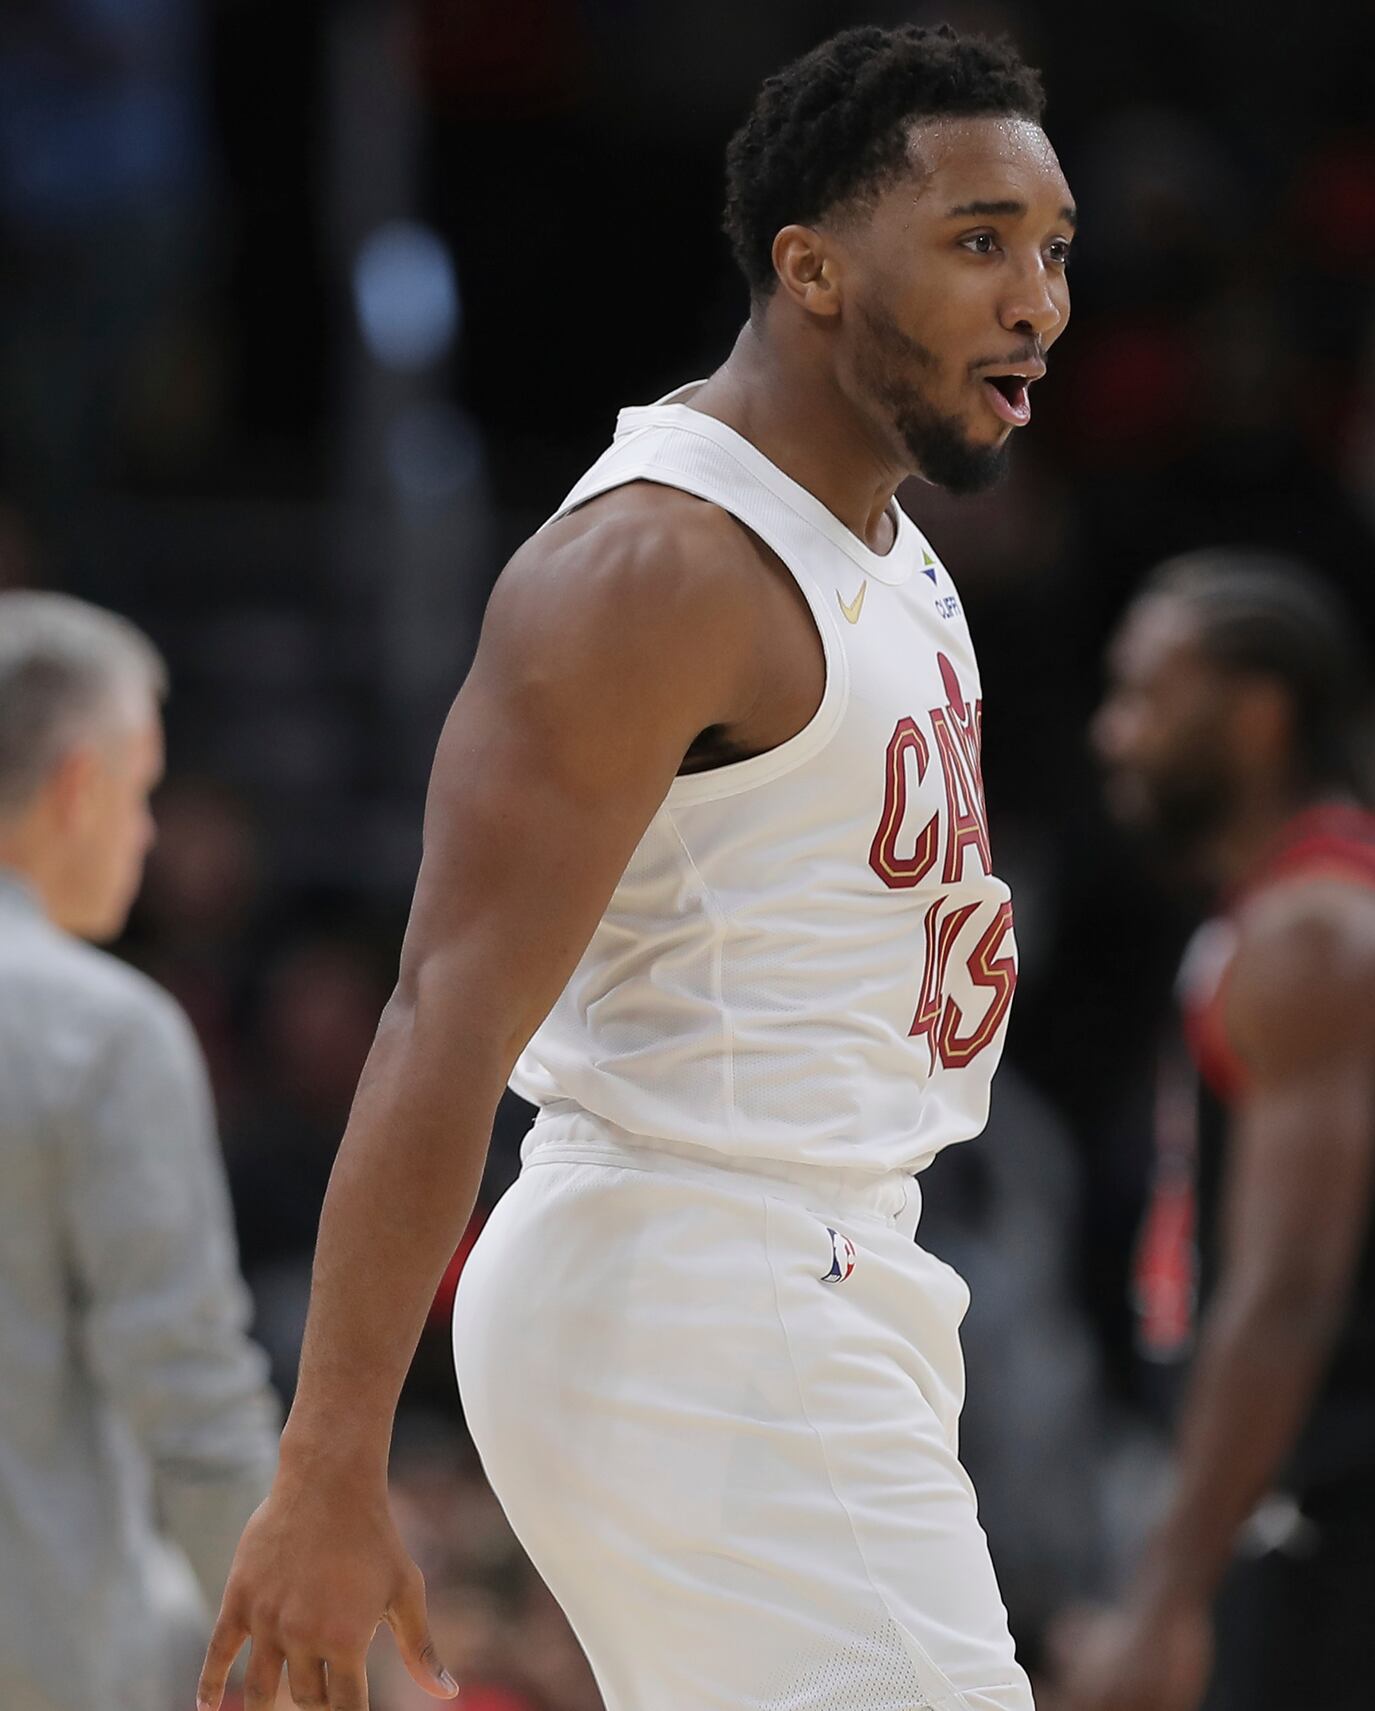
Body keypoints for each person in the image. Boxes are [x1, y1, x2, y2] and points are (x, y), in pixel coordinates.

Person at [200, 24, 1072, 1711]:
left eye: (1051, 251)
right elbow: (441, 1011)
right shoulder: (657, 568)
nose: (1034, 298)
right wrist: (330, 1460)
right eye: (979, 243)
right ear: (812, 269)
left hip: (809, 1271)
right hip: (706, 1276)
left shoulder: (880, 547)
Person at [1068, 552, 1375, 1711]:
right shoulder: (1340, 896)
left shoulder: (1315, 938)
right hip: (1372, 1506)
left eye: (1146, 695)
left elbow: (1287, 1294)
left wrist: (1165, 1600)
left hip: (1362, 1519)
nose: (1111, 734)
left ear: (1259, 713)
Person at [0, 592, 278, 1711]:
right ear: (79, 785)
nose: (148, 834)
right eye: (143, 790)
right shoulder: (99, 1029)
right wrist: (300, 1655)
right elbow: (190, 1393)